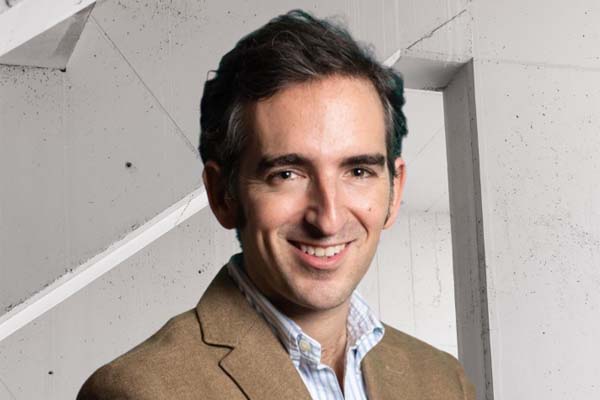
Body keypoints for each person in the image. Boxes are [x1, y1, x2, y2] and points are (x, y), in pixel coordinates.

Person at [78, 10, 475, 400]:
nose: (328, 219)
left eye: (357, 171)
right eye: (287, 174)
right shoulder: (137, 390)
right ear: (222, 195)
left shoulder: (443, 380)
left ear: (394, 190)